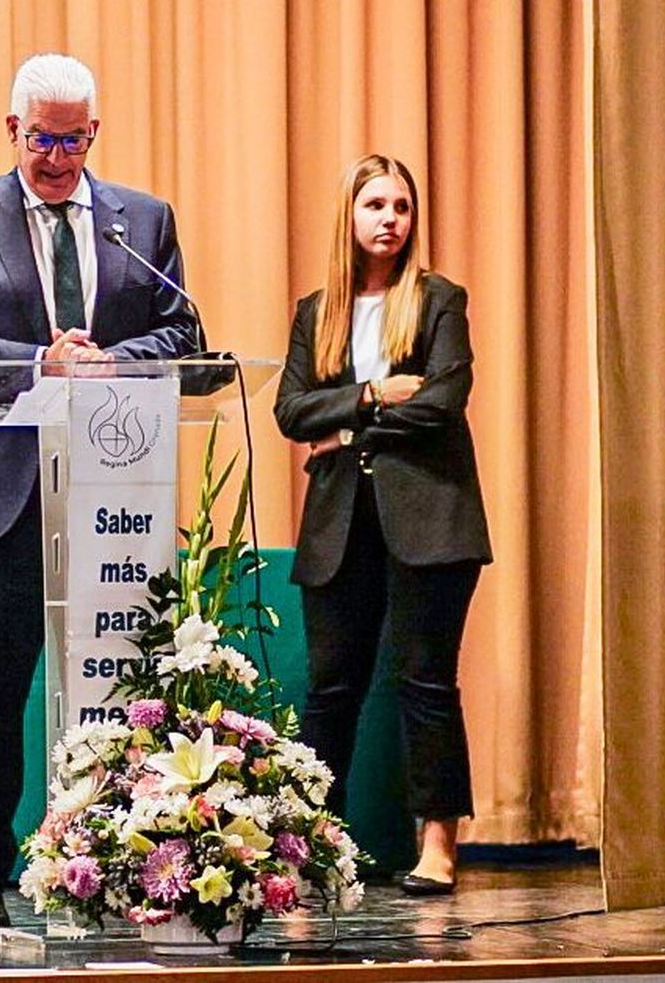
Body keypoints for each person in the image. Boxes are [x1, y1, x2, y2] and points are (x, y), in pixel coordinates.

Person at [0, 53, 198, 934]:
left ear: (94, 134)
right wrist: (41, 362)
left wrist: (113, 361)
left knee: (118, 685)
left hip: (115, 496)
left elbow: (183, 330)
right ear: (13, 132)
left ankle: (118, 863)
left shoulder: (138, 221)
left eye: (73, 140)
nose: (58, 156)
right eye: (43, 139)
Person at [274, 154, 491, 896]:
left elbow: (442, 402)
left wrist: (346, 431)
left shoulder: (438, 301)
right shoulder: (316, 311)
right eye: (375, 204)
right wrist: (371, 396)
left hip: (431, 516)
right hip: (341, 522)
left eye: (401, 205)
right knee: (332, 689)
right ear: (350, 215)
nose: (389, 218)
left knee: (427, 682)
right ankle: (313, 844)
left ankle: (438, 845)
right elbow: (290, 411)